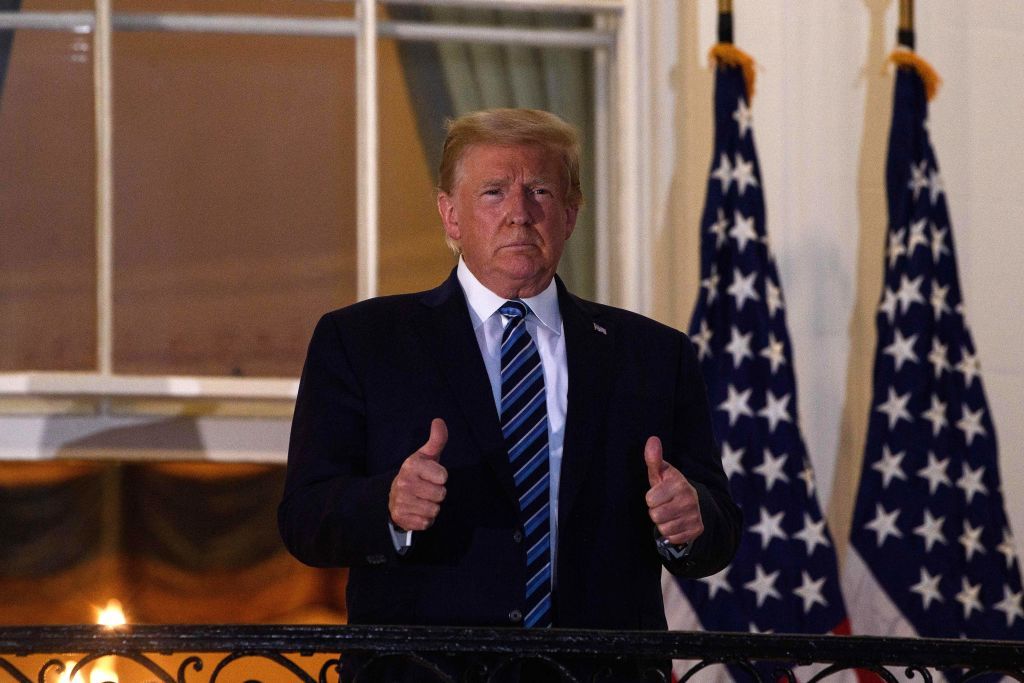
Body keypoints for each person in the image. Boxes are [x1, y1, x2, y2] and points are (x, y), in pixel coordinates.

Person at [278, 108, 741, 677]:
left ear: (570, 214)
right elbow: (304, 516)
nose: (519, 214)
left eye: (540, 191)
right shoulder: (362, 342)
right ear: (450, 215)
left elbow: (719, 528)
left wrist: (687, 524)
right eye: (494, 192)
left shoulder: (652, 355)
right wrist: (388, 507)